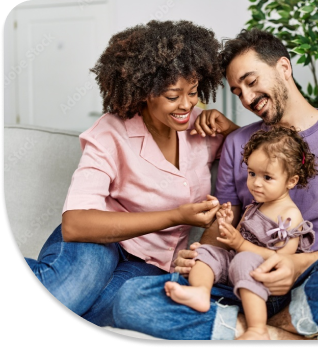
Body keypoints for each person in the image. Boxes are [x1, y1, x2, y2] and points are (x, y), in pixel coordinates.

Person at [112, 28, 318, 341]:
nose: (247, 99)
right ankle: (282, 334)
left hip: (312, 282)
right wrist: (200, 255)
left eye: (251, 81)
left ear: (284, 68)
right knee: (130, 298)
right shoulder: (236, 142)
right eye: (237, 92)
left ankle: (265, 328)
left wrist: (292, 264)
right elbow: (225, 224)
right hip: (241, 277)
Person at [24, 20, 239, 328]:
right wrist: (176, 215)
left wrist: (232, 129)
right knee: (66, 295)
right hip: (98, 242)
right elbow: (75, 224)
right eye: (172, 95)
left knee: (111, 308)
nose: (187, 104)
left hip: (151, 265)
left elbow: (262, 156)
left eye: (193, 92)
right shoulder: (111, 133)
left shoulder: (201, 128)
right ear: (144, 90)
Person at [164, 126, 318, 340]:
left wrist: (239, 245)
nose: (255, 183)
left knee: (245, 258)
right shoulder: (254, 206)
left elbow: (283, 260)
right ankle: (200, 291)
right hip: (236, 269)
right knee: (207, 251)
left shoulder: (290, 215)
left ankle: (257, 329)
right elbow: (235, 240)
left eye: (267, 177)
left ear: (291, 181)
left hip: (265, 284)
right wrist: (226, 224)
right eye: (252, 173)